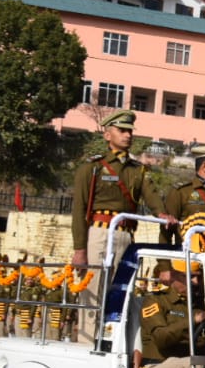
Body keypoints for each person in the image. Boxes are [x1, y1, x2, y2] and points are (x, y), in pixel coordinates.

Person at [71, 110, 171, 343]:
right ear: (107, 134)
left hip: (126, 235)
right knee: (93, 293)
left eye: (129, 131)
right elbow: (79, 210)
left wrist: (162, 213)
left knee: (123, 294)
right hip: (99, 233)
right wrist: (79, 249)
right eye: (122, 130)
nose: (128, 135)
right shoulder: (93, 167)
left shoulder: (138, 169)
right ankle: (87, 346)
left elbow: (151, 195)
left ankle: (113, 344)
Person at [137, 258, 205, 368]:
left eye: (198, 276)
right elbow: (161, 338)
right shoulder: (156, 300)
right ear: (174, 276)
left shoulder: (200, 304)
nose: (195, 281)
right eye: (189, 276)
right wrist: (193, 321)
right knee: (192, 365)